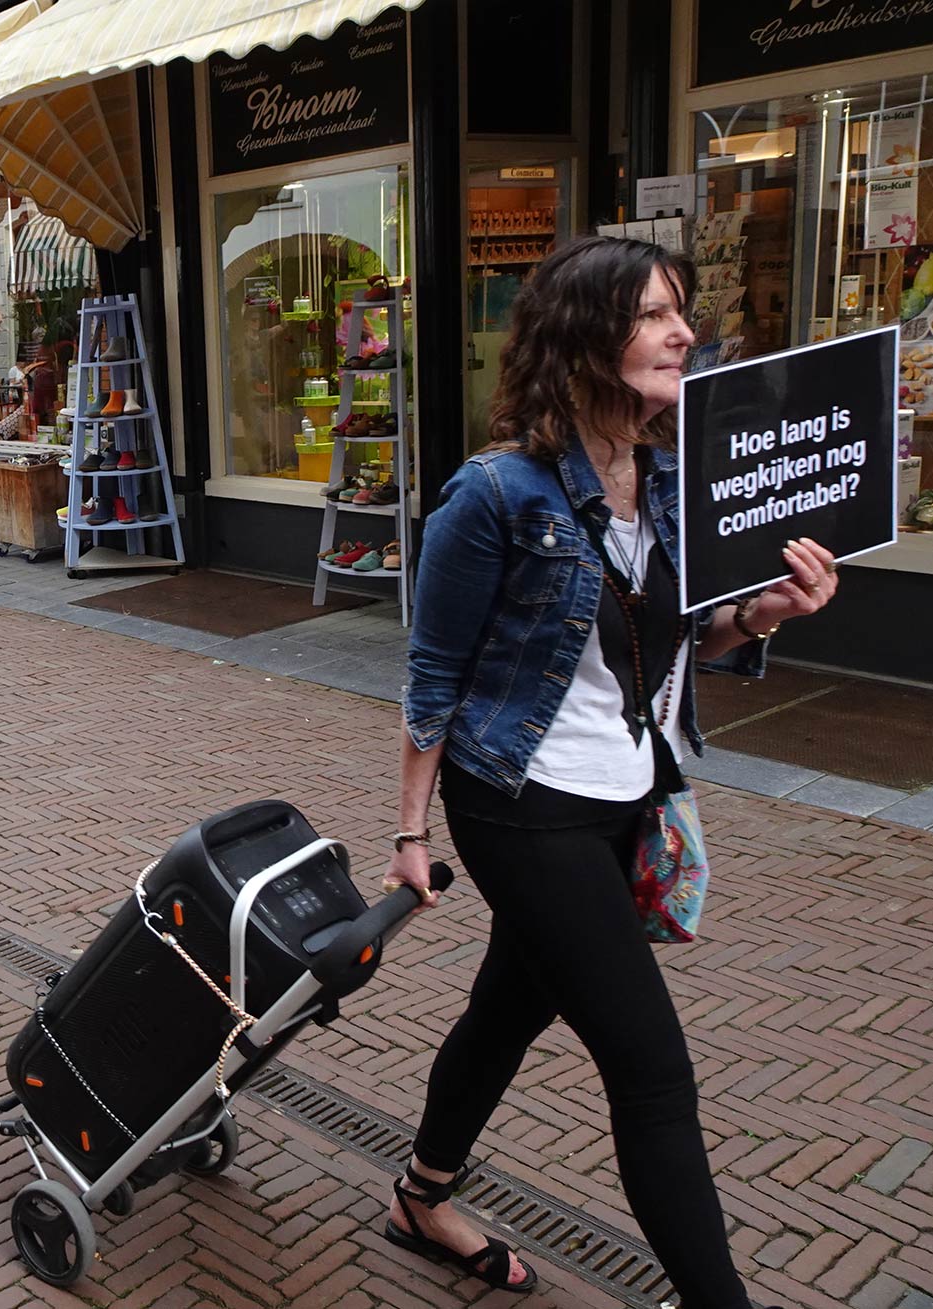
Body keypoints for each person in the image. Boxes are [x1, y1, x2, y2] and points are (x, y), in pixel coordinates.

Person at [385, 238, 837, 1306]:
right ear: (583, 337)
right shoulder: (493, 494)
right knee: (651, 1069)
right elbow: (433, 675)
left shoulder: (673, 482)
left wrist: (760, 616)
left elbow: (677, 643)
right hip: (519, 806)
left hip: (627, 795)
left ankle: (421, 1195)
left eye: (680, 312)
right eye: (652, 315)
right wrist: (409, 834)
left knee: (508, 1009)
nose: (683, 332)